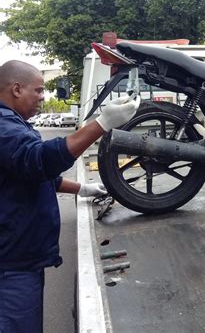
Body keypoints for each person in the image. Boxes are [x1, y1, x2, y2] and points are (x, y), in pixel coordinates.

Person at [0, 60, 140, 332]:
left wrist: (82, 188)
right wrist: (102, 124)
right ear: (17, 89)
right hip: (11, 269)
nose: (43, 97)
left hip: (17, 261)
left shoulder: (12, 123)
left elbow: (29, 175)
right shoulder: (4, 128)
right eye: (39, 91)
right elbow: (37, 160)